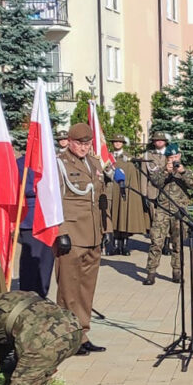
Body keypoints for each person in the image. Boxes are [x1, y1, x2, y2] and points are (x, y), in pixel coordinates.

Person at [55, 122, 107, 353]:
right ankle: (66, 337)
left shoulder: (94, 162)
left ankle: (82, 333)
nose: (84, 148)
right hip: (72, 236)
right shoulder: (59, 164)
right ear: (70, 142)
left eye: (87, 143)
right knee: (69, 290)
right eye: (80, 143)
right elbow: (53, 201)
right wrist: (60, 232)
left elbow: (99, 199)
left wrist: (105, 230)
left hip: (93, 235)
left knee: (86, 289)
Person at [144, 143, 193, 284]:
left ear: (179, 156)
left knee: (178, 244)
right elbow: (155, 182)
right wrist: (165, 172)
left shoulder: (185, 171)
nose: (173, 159)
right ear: (166, 158)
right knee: (156, 242)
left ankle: (177, 272)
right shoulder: (161, 171)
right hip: (163, 210)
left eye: (175, 156)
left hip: (179, 211)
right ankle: (151, 272)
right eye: (170, 157)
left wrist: (183, 172)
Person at [16, 153, 54, 297]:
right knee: (31, 261)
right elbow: (20, 187)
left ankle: (42, 294)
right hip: (30, 220)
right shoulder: (21, 163)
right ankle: (28, 295)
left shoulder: (49, 161)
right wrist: (43, 189)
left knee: (46, 261)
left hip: (48, 218)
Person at [106, 134, 148, 256]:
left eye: (120, 142)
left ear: (123, 144)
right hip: (111, 191)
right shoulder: (108, 158)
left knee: (124, 218)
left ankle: (124, 246)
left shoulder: (128, 158)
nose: (117, 144)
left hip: (123, 192)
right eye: (115, 142)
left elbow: (132, 178)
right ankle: (113, 246)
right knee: (113, 218)